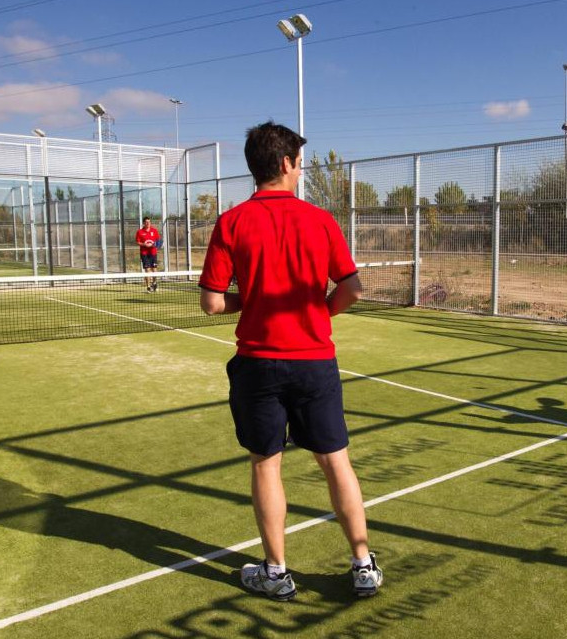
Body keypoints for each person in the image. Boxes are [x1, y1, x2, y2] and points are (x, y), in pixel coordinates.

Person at [198, 121, 382, 600]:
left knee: (266, 464)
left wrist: (254, 302)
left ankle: (276, 574)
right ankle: (363, 565)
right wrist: (318, 311)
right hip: (314, 362)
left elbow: (213, 303)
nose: (301, 171)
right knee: (335, 462)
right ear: (285, 163)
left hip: (258, 365)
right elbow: (352, 289)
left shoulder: (232, 222)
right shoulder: (320, 221)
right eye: (300, 163)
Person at [135, 216, 161, 293]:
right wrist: (144, 244)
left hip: (153, 253)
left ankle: (155, 283)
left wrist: (154, 245)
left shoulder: (154, 230)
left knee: (154, 269)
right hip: (144, 254)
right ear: (143, 223)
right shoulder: (139, 232)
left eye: (149, 222)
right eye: (146, 222)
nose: (148, 223)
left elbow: (158, 241)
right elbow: (137, 242)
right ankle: (148, 287)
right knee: (147, 270)